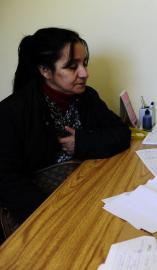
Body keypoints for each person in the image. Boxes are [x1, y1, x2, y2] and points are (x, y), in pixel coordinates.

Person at [0, 28, 131, 238]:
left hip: (85, 191)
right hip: (42, 214)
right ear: (45, 70)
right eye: (72, 66)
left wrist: (81, 143)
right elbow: (8, 182)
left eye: (84, 63)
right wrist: (57, 215)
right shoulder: (12, 111)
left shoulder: (87, 97)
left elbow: (121, 133)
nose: (84, 73)